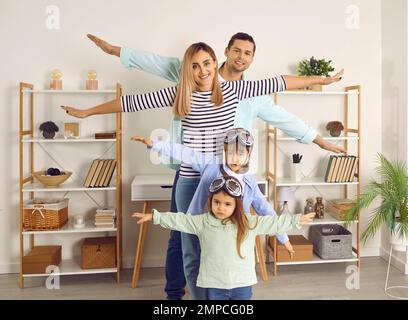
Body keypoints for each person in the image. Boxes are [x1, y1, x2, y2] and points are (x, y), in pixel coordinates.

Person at [61, 40, 341, 300]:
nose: (202, 70)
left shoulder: (235, 90)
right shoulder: (180, 93)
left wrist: (324, 80)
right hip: (189, 180)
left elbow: (281, 81)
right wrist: (87, 113)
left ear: (215, 63)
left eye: (206, 63)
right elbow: (130, 103)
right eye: (195, 66)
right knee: (189, 248)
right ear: (188, 70)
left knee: (230, 240)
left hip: (222, 181)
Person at [132, 127, 296, 299]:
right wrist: (155, 144)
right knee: (193, 260)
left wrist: (283, 238)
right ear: (224, 151)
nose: (235, 158)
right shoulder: (211, 166)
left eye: (240, 153)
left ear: (248, 154)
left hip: (231, 235)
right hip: (202, 225)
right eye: (230, 152)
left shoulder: (249, 183)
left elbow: (266, 211)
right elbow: (186, 153)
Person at [133, 175, 315, 300]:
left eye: (227, 204)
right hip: (215, 285)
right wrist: (155, 216)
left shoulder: (249, 222)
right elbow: (179, 220)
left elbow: (273, 223)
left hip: (242, 285)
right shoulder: (203, 222)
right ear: (210, 201)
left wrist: (296, 219)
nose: (220, 207)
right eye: (216, 202)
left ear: (236, 205)